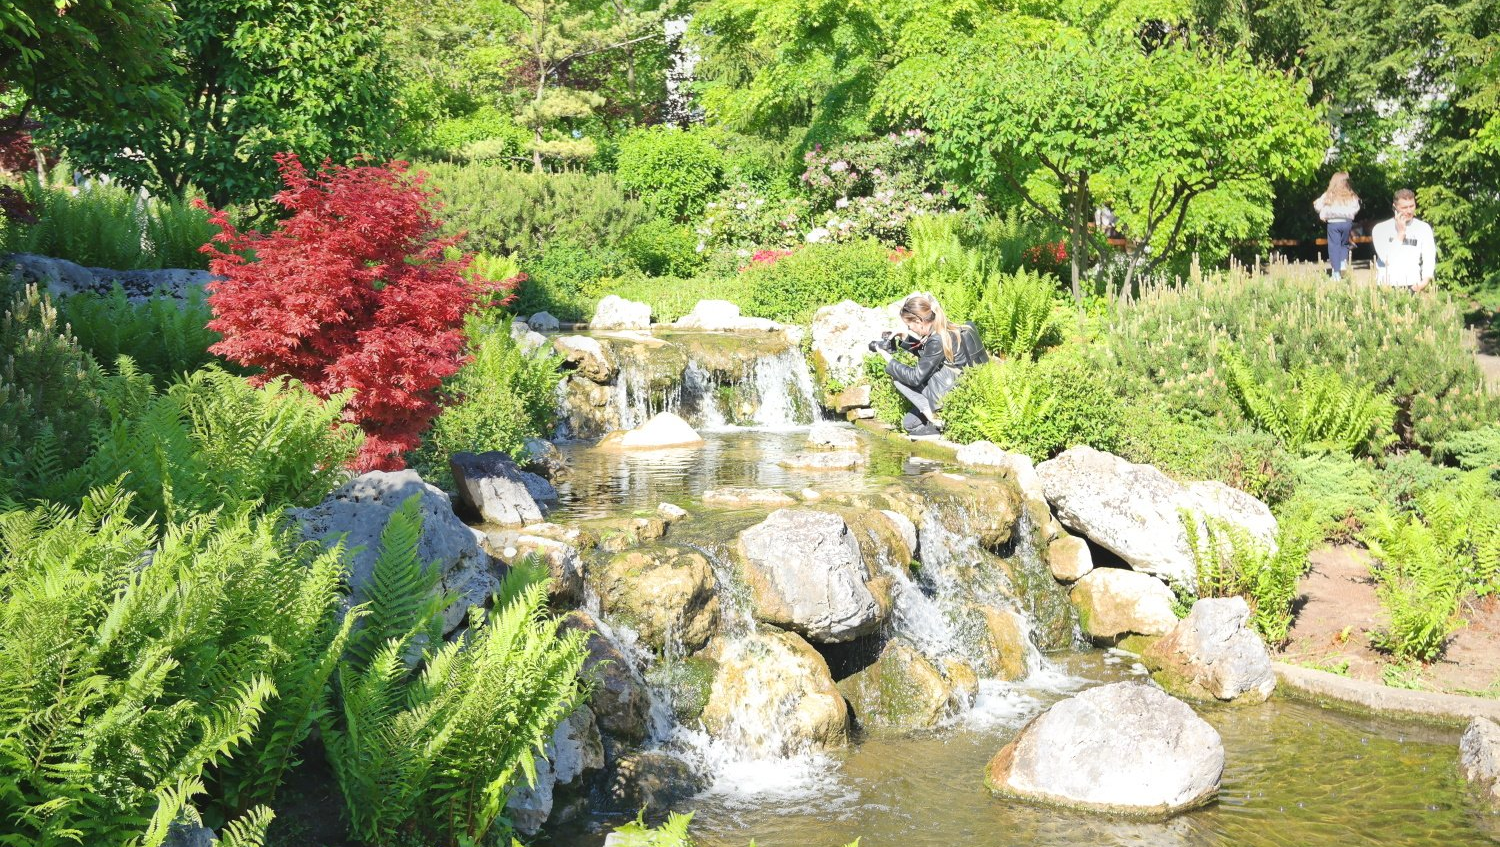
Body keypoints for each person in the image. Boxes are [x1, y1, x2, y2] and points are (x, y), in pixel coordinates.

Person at [873, 293, 988, 437]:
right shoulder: (954, 329)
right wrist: (905, 338)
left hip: (951, 394)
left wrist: (887, 358)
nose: (910, 329)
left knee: (899, 379)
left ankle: (936, 420)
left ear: (919, 321)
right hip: (967, 386)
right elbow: (931, 357)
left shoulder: (937, 340)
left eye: (910, 326)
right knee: (910, 422)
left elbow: (914, 378)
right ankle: (934, 417)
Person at [1371, 188, 1437, 291]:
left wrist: (1424, 281)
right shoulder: (1380, 229)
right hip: (1386, 285)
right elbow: (1386, 259)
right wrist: (1400, 234)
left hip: (1412, 285)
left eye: (1412, 206)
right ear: (1395, 207)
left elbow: (1429, 256)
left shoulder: (1423, 228)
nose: (1409, 211)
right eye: (1404, 207)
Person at [1313, 172, 1360, 278]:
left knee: (1334, 246)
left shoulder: (1328, 194)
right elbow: (1356, 207)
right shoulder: (1351, 195)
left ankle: (1336, 272)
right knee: (1344, 244)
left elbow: (1318, 206)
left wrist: (1317, 205)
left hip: (1333, 223)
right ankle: (1343, 262)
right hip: (1347, 222)